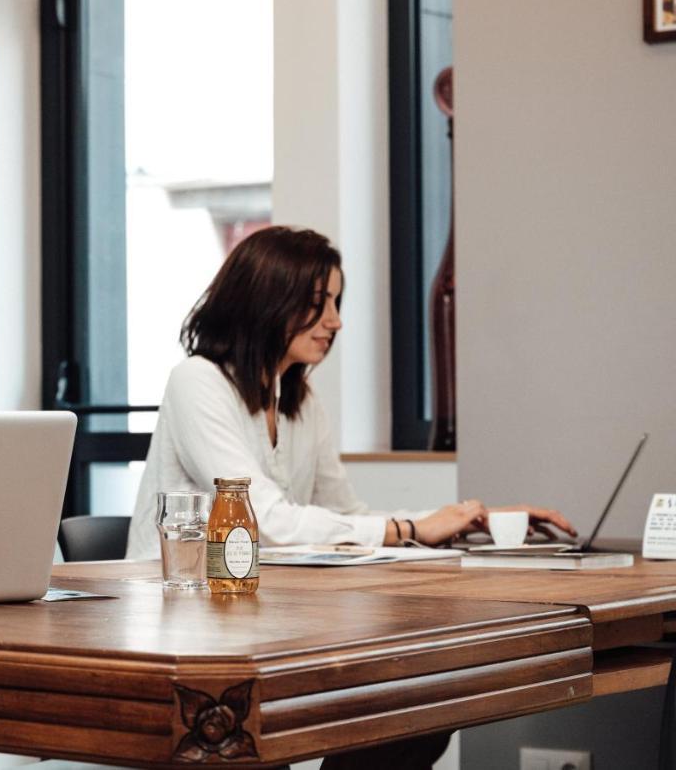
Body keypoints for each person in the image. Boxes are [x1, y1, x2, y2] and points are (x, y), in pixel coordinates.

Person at [125, 225, 576, 559]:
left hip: (259, 602)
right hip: (172, 606)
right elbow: (263, 520)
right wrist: (410, 527)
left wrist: (473, 522)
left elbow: (349, 514)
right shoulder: (197, 382)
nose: (335, 321)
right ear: (264, 302)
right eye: (317, 303)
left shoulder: (300, 401)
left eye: (336, 303)